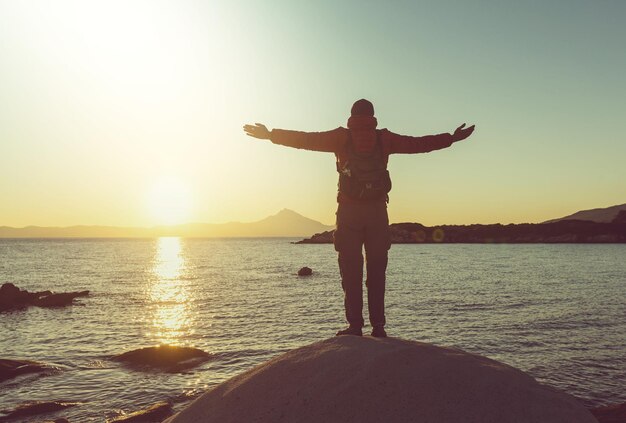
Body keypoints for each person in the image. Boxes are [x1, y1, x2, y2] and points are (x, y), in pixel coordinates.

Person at [243, 99, 475, 337]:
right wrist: (451, 138)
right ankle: (379, 327)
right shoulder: (384, 138)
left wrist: (271, 134)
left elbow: (305, 140)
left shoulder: (340, 138)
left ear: (351, 116)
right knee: (377, 272)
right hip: (377, 213)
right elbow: (418, 144)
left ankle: (355, 327)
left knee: (351, 272)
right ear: (373, 116)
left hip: (349, 213)